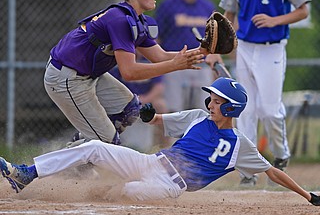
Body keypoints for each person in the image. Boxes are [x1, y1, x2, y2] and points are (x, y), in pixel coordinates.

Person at [1, 77, 320, 206]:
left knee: (127, 193)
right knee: (94, 148)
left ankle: (105, 193)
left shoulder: (239, 145)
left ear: (232, 108)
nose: (210, 103)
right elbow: (157, 121)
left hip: (170, 187)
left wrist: (307, 195)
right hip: (152, 162)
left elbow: (272, 173)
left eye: (217, 101)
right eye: (211, 98)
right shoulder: (197, 116)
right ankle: (27, 173)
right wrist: (148, 112)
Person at [43, 0, 204, 146]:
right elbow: (129, 72)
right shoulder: (120, 20)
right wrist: (176, 65)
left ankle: (84, 145)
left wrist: (204, 51)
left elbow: (160, 55)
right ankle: (40, 170)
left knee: (130, 110)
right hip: (66, 77)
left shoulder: (137, 20)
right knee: (107, 141)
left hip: (88, 75)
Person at [219, 0, 312, 185]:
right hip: (245, 47)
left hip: (273, 48)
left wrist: (275, 20)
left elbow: (303, 10)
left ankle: (281, 154)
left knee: (269, 110)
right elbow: (228, 14)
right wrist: (217, 48)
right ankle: (248, 170)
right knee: (244, 109)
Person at [155, 0, 222, 112]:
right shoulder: (169, 5)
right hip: (175, 64)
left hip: (201, 65)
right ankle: (175, 137)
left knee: (203, 109)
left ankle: (198, 136)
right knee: (174, 109)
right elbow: (157, 38)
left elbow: (213, 39)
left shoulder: (207, 7)